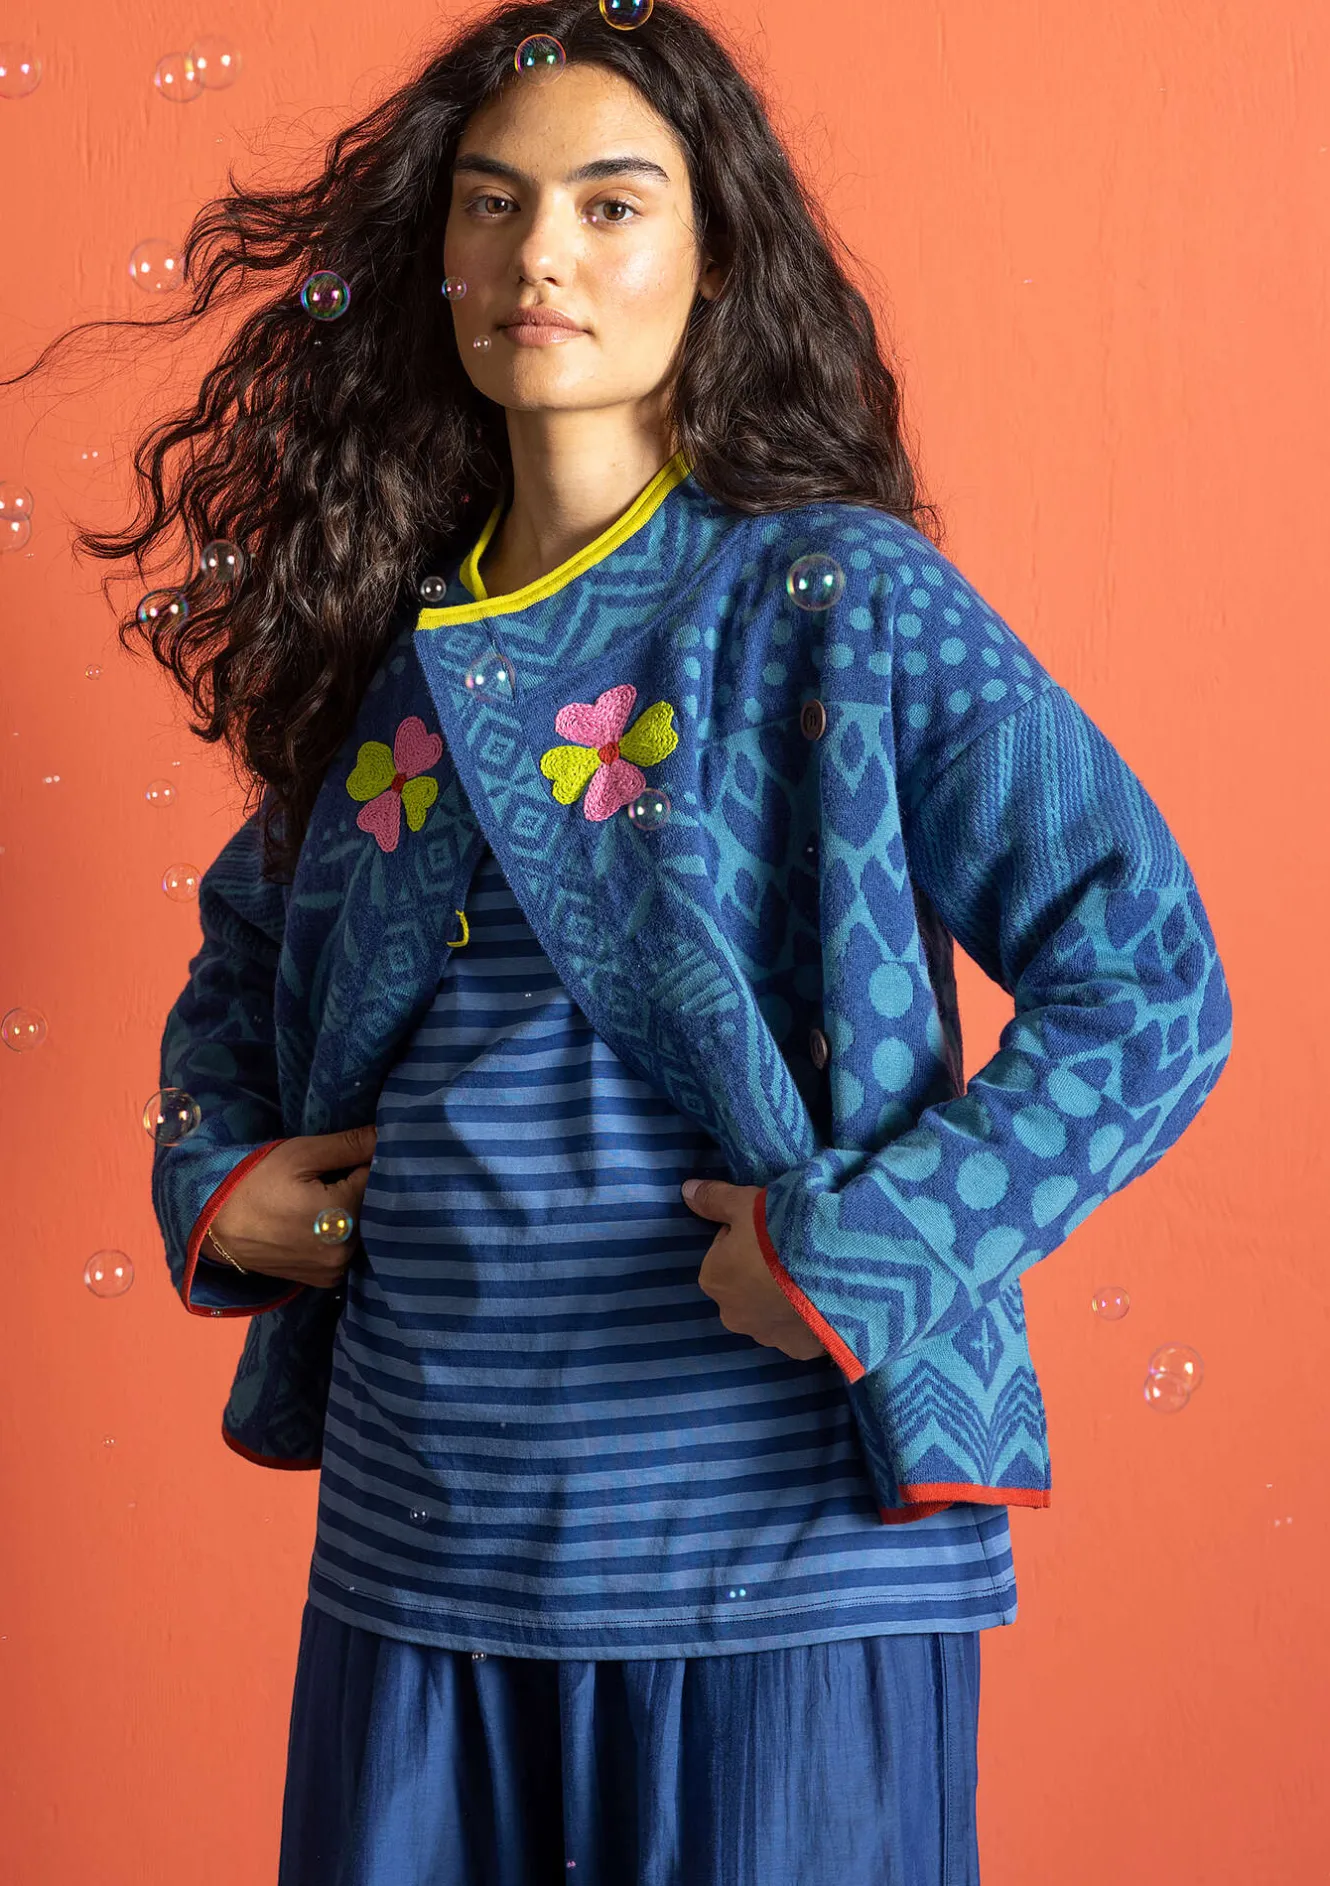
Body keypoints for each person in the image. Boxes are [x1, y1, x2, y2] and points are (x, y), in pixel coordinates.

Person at [10, 5, 1232, 1881]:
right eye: (492, 203)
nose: (540, 256)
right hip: (419, 1555)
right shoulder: (380, 636)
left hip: (782, 1570)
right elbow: (238, 967)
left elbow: (1151, 980)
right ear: (435, 253)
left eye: (609, 203)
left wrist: (876, 1244)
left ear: (713, 256)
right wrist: (217, 1180)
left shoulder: (840, 596)